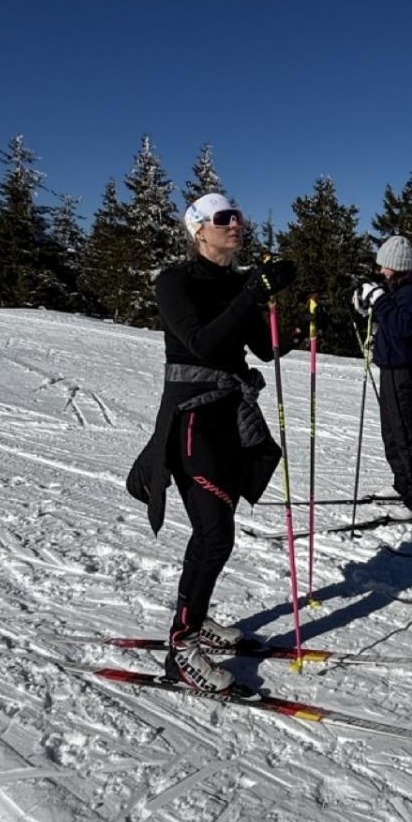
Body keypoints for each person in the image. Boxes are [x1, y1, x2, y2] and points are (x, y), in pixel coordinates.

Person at [126, 192, 299, 693]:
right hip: (190, 420)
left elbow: (263, 348)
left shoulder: (236, 281)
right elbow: (202, 342)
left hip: (228, 419)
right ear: (198, 230)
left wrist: (278, 305)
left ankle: (195, 622)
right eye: (224, 219)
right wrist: (252, 292)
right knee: (214, 533)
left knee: (216, 532)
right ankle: (182, 647)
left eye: (238, 216)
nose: (235, 225)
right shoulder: (173, 282)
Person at [352, 235, 412, 520]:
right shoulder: (395, 289)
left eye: (384, 267)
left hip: (402, 371)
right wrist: (368, 307)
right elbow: (389, 322)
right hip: (389, 369)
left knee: (406, 434)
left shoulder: (408, 292)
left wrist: (380, 300)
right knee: (391, 432)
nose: (381, 272)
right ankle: (403, 484)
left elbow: (404, 326)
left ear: (396, 266)